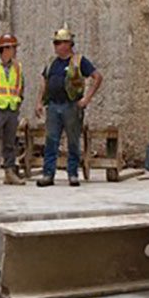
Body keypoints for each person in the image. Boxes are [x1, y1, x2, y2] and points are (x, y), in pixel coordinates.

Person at [35, 26, 102, 187]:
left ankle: (73, 174)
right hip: (53, 105)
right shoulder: (51, 62)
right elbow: (44, 81)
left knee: (73, 141)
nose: (56, 46)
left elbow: (97, 77)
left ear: (68, 44)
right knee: (51, 141)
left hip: (71, 106)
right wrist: (39, 102)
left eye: (59, 43)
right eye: (55, 43)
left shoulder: (79, 61)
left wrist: (86, 99)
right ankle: (48, 174)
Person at [0, 34, 26, 187]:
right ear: (5, 49)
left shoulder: (17, 66)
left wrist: (18, 99)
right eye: (13, 47)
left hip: (12, 108)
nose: (15, 50)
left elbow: (21, 85)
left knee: (10, 143)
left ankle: (9, 172)